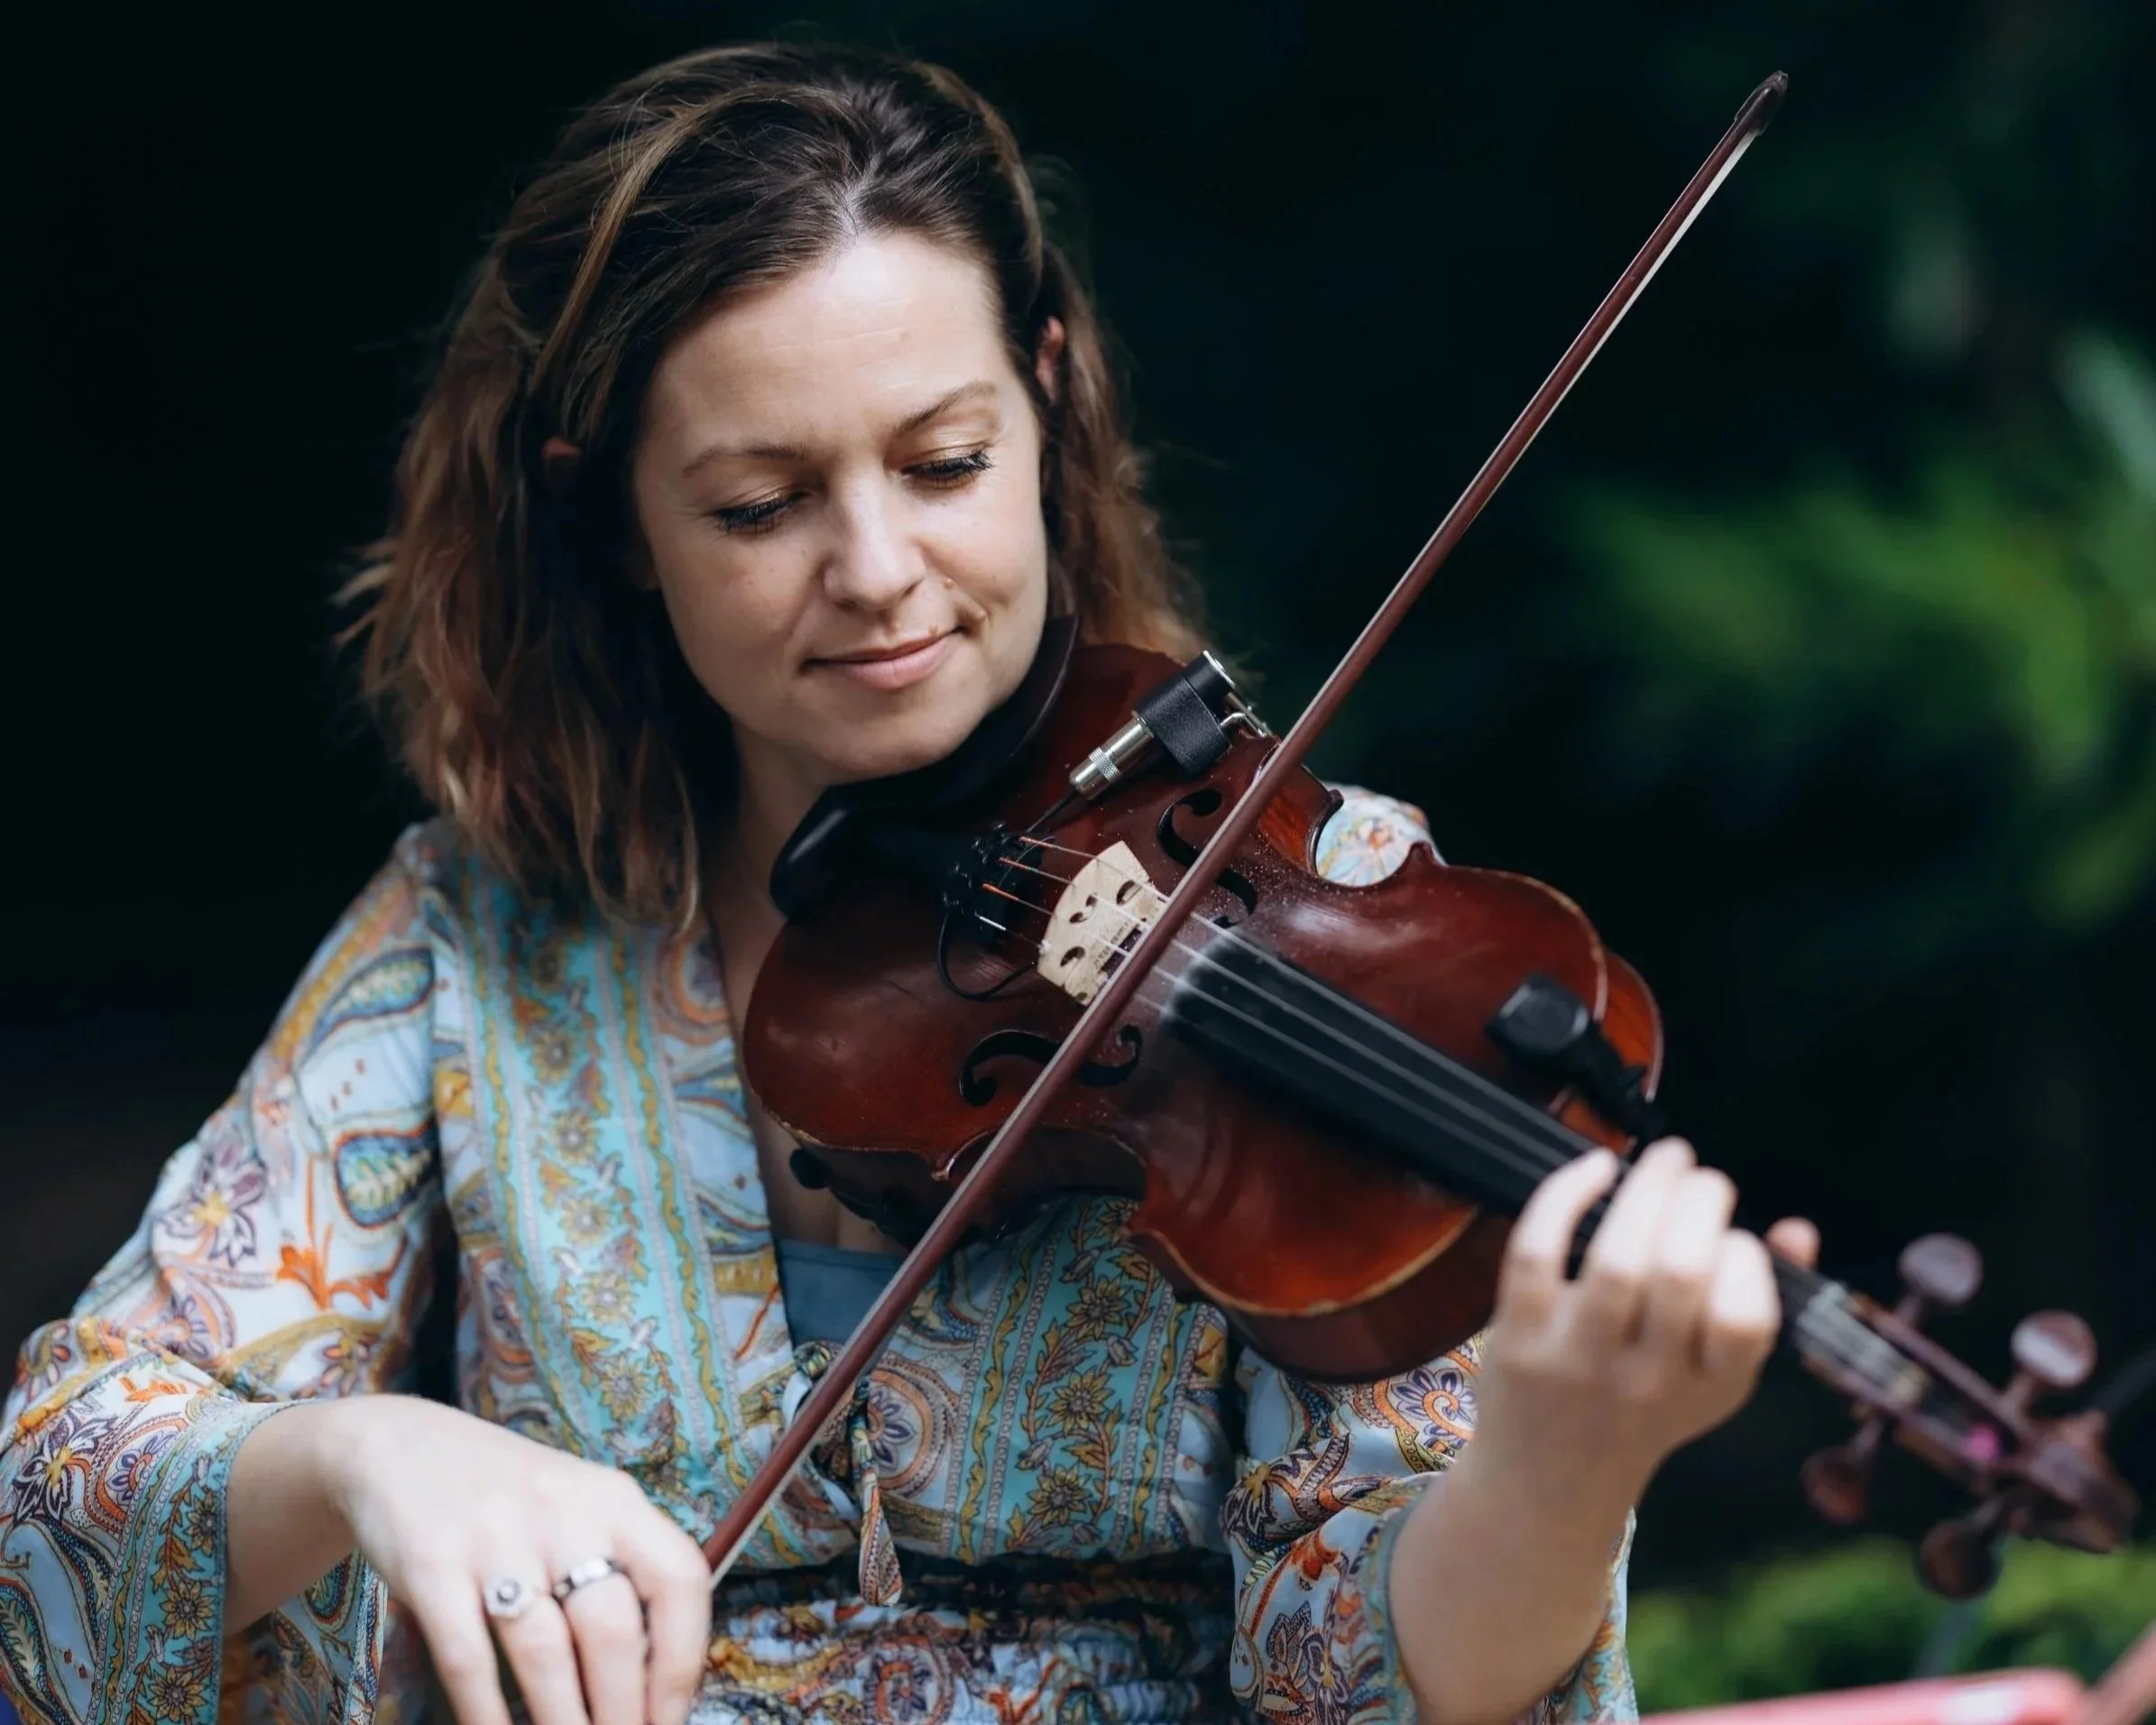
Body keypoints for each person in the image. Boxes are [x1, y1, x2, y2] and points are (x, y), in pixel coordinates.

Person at [0, 43, 1818, 1725]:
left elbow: (1357, 1668)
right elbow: (61, 1487)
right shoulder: (479, 941)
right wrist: (367, 1456)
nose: (877, 569)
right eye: (755, 502)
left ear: (1045, 398)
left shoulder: (1341, 906)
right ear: (612, 517)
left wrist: (1560, 1471)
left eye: (941, 462)